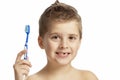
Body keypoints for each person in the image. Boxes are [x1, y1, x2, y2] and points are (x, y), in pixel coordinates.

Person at [13, 0, 98, 80]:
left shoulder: (88, 77)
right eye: (55, 37)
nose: (64, 45)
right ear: (41, 42)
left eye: (71, 38)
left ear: (79, 42)